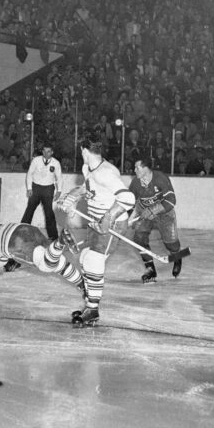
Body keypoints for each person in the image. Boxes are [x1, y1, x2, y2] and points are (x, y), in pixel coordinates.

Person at [59, 136, 136, 326]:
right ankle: (90, 304)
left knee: (94, 261)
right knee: (85, 258)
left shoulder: (106, 173)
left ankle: (92, 310)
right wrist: (73, 196)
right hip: (95, 221)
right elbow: (87, 188)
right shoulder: (88, 169)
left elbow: (128, 198)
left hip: (112, 224)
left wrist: (108, 218)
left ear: (84, 150)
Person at [0, 222, 82, 307]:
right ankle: (83, 284)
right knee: (54, 260)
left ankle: (60, 242)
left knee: (45, 265)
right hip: (27, 228)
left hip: (16, 242)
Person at [128, 157, 183, 282]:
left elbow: (171, 201)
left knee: (171, 243)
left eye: (138, 167)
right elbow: (129, 201)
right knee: (139, 238)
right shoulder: (135, 183)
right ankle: (150, 269)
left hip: (165, 213)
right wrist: (127, 217)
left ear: (146, 168)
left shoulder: (161, 179)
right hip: (144, 212)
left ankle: (177, 256)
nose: (134, 170)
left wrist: (154, 210)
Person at [20, 144, 62, 240]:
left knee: (49, 212)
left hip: (48, 189)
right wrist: (29, 188)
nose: (46, 153)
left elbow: (59, 178)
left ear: (52, 152)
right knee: (29, 210)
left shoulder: (56, 163)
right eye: (44, 151)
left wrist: (59, 191)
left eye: (48, 151)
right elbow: (29, 174)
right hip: (36, 188)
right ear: (42, 151)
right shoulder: (36, 160)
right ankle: (21, 232)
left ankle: (53, 237)